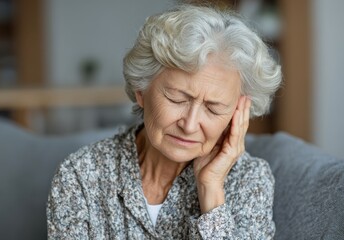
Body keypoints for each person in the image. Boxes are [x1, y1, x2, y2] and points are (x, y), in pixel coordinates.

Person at [47, 4, 282, 239]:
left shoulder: (250, 180)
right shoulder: (80, 175)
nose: (189, 125)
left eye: (213, 108)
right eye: (177, 98)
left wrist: (210, 192)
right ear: (141, 90)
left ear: (237, 113)